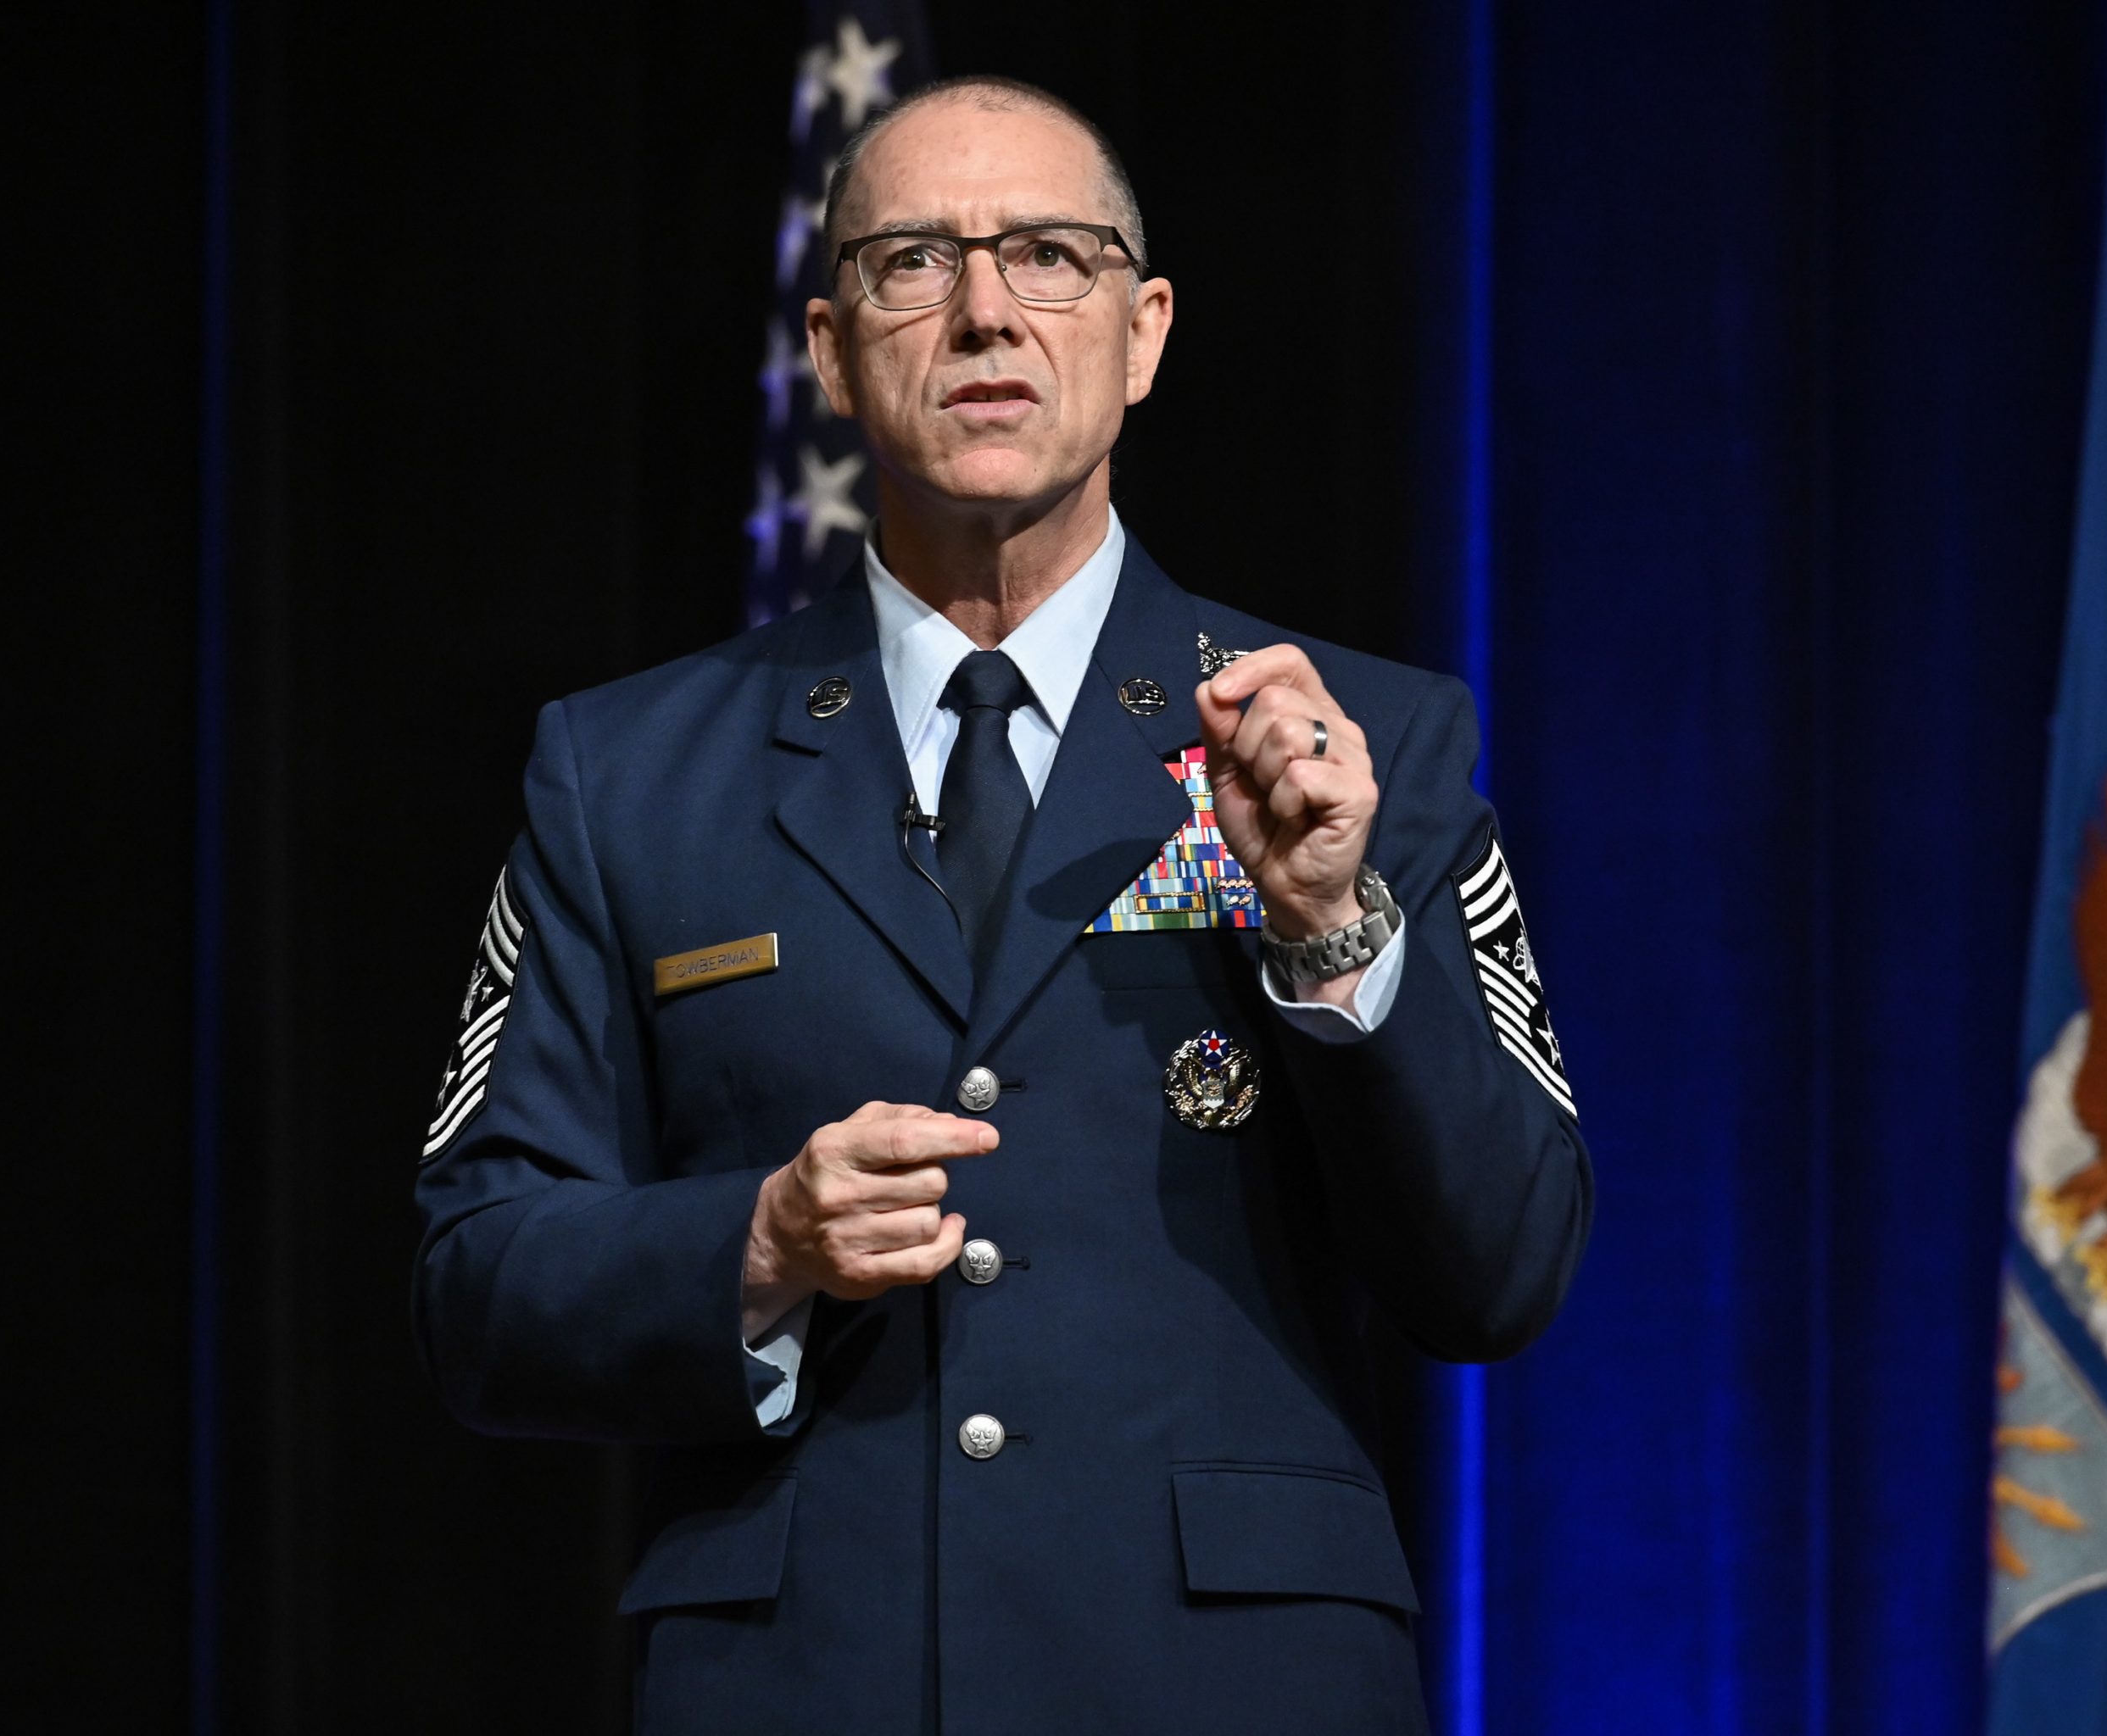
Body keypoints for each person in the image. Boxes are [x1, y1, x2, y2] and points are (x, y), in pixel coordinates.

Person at [414, 75, 1592, 1735]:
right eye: (913, 262)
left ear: (1143, 328)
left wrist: (1332, 928)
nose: (982, 312)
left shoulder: (1359, 744)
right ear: (827, 346)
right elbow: (477, 1280)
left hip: (1229, 1684)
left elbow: (1500, 1267)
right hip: (799, 1681)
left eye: (1046, 254)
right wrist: (753, 1245)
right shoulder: (624, 773)